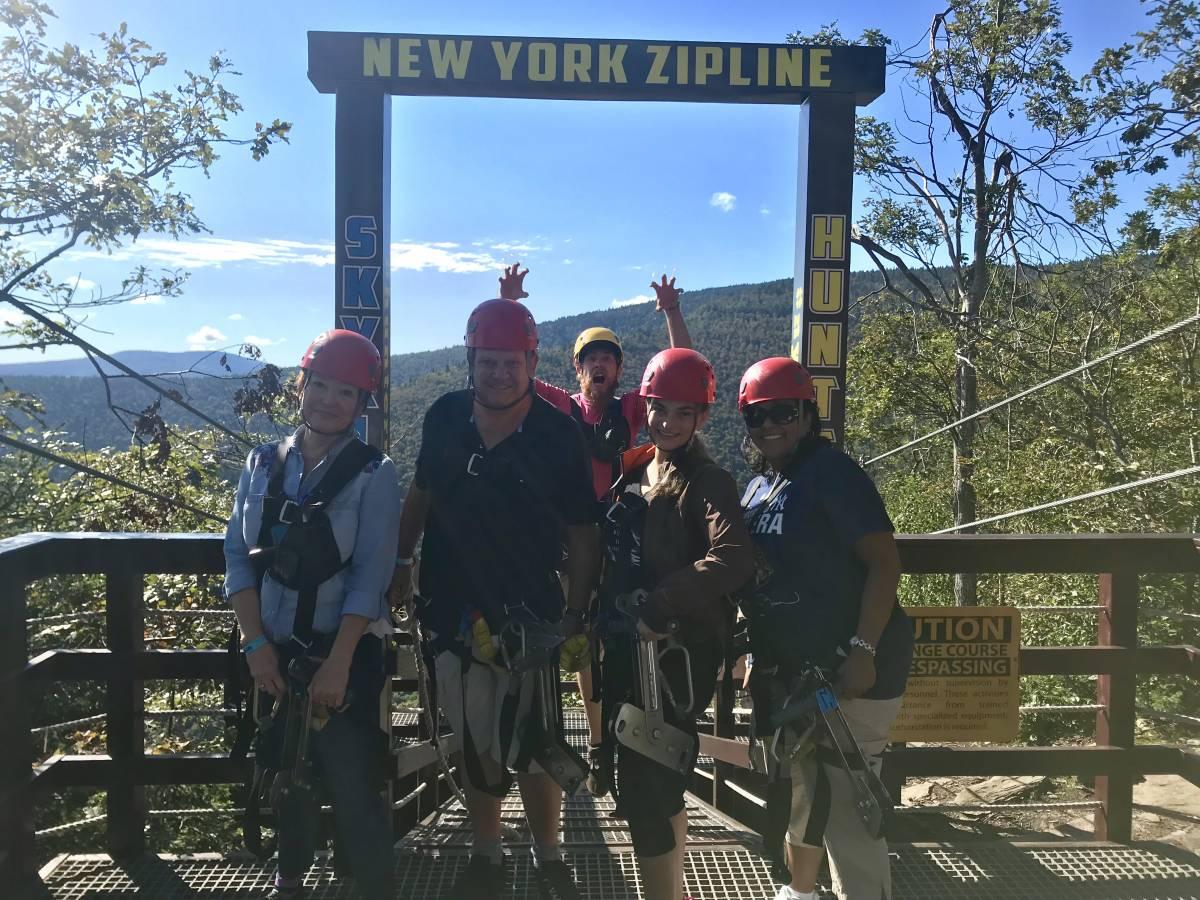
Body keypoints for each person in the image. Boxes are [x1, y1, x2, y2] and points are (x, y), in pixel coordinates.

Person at [388, 297, 599, 900]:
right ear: (471, 360)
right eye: (488, 361)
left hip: (531, 613)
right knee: (478, 739)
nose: (499, 372)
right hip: (453, 606)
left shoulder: (558, 435)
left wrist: (577, 611)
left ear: (531, 363)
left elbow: (584, 531)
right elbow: (421, 493)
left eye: (511, 362)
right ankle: (488, 848)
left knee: (535, 743)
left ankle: (547, 851)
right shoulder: (445, 418)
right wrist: (403, 560)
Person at [498, 262, 693, 795]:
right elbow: (513, 370)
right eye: (590, 359)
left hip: (618, 540)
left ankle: (605, 742)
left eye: (607, 357)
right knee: (575, 634)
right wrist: (512, 306)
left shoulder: (631, 410)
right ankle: (578, 740)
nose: (599, 365)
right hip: (567, 543)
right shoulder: (564, 407)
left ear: (619, 368)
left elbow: (681, 371)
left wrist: (672, 312)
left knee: (609, 642)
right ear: (578, 368)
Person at [223, 329, 401, 900]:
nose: (328, 399)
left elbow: (371, 576)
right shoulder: (262, 463)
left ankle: (370, 884)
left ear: (360, 402)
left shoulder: (375, 474)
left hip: (339, 654)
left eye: (345, 392)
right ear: (302, 385)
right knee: (283, 771)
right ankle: (290, 879)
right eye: (319, 384)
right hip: (271, 652)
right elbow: (238, 556)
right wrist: (255, 646)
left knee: (354, 781)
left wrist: (339, 663)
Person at [735, 357, 913, 900]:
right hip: (798, 671)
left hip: (849, 668)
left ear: (807, 414)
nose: (770, 426)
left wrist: (863, 649)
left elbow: (884, 562)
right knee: (808, 792)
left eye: (783, 413)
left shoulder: (832, 473)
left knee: (850, 802)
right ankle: (802, 891)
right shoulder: (763, 483)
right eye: (756, 417)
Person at [597, 348, 755, 900]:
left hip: (672, 655)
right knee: (659, 773)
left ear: (702, 419)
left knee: (646, 787)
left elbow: (733, 555)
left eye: (682, 412)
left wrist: (661, 605)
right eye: (660, 408)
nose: (667, 421)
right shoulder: (639, 465)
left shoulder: (706, 481)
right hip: (631, 647)